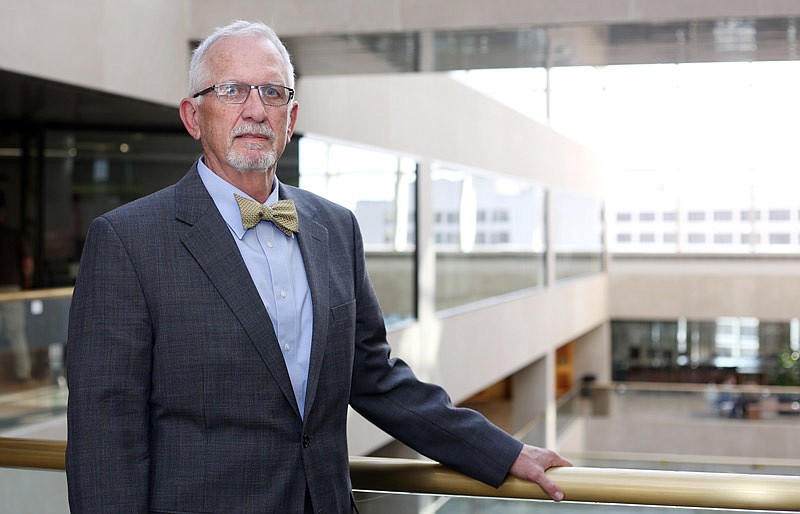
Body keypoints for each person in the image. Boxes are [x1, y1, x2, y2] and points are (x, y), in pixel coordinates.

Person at [65, 20, 571, 513]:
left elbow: (375, 377)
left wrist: (503, 452)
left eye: (272, 92)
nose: (255, 110)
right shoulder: (127, 241)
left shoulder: (336, 228)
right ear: (193, 116)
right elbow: (104, 437)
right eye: (232, 90)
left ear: (291, 115)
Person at [0, 196, 33, 384]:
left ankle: (22, 373)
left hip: (10, 288)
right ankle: (23, 374)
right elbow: (27, 263)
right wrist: (26, 282)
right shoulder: (14, 235)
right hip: (11, 289)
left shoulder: (13, 235)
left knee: (15, 333)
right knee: (16, 333)